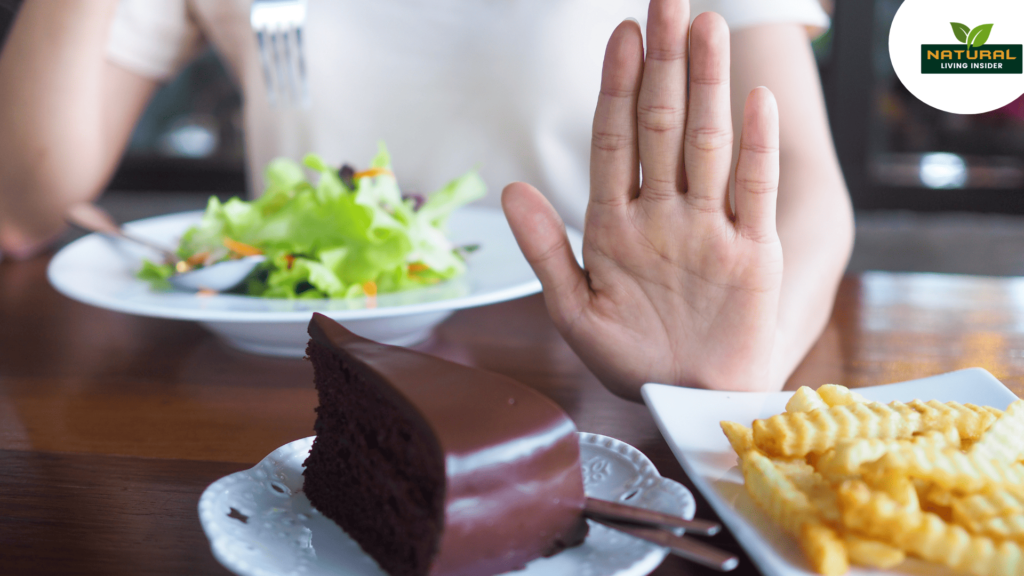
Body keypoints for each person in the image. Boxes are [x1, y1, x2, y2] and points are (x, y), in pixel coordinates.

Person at [0, 0, 853, 399]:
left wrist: (733, 377)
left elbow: (812, 190)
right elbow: (22, 202)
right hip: (281, 387)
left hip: (595, 386)